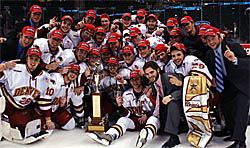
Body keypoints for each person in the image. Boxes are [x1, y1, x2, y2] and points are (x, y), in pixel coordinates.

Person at [204, 27, 249, 148]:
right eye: (208, 40)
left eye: (213, 38)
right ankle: (230, 130)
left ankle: (240, 142)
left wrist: (235, 60)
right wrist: (212, 78)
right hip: (228, 84)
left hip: (243, 84)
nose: (211, 42)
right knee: (226, 105)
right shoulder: (209, 53)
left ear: (219, 36)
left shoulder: (232, 46)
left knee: (241, 110)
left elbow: (248, 62)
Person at [88, 70, 156, 146]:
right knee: (122, 120)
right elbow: (126, 114)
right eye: (132, 80)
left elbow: (157, 109)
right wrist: (120, 106)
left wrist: (147, 115)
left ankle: (145, 136)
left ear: (141, 79)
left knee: (154, 119)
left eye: (137, 79)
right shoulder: (127, 94)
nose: (135, 82)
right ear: (130, 81)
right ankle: (109, 136)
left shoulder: (149, 92)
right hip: (135, 122)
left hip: (148, 122)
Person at [0, 47, 55, 142]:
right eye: (31, 58)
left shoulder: (45, 77)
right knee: (20, 126)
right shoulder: (15, 69)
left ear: (39, 62)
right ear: (26, 59)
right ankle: (5, 119)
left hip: (24, 107)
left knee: (42, 125)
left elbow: (44, 99)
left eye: (36, 59)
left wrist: (48, 119)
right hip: (8, 104)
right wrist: (3, 66)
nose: (33, 62)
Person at [143, 61, 182, 148]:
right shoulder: (153, 84)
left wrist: (171, 97)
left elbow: (184, 90)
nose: (150, 76)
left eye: (151, 72)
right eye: (147, 74)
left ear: (158, 70)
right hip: (168, 108)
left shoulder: (168, 77)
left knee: (172, 103)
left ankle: (173, 137)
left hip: (181, 105)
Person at [49, 63, 82, 130]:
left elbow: (64, 104)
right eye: (72, 72)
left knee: (70, 125)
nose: (73, 75)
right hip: (43, 109)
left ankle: (54, 124)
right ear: (67, 71)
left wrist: (62, 105)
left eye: (76, 73)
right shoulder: (55, 78)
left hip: (56, 111)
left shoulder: (71, 85)